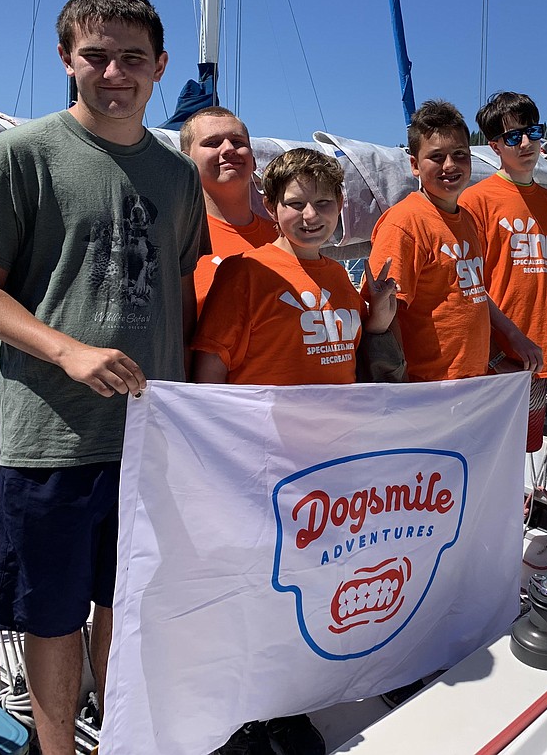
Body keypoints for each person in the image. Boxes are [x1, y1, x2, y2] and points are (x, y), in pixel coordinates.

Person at [0, 0, 207, 755]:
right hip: (49, 435)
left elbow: (177, 295)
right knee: (49, 614)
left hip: (146, 440)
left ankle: (116, 736)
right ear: (66, 60)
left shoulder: (180, 178)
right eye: (95, 56)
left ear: (159, 68)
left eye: (131, 58)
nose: (113, 72)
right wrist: (66, 349)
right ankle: (53, 748)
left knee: (127, 603)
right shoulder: (20, 155)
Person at [191, 147, 396, 754]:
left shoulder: (340, 279)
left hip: (325, 468)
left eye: (324, 204)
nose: (311, 215)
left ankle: (286, 703)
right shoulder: (245, 273)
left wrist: (379, 320)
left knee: (305, 588)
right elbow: (209, 374)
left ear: (341, 209)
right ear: (271, 206)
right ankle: (245, 714)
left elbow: (356, 369)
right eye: (296, 203)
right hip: (259, 466)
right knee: (254, 588)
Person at [367, 99, 541, 382]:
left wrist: (508, 339)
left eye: (460, 154)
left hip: (470, 383)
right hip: (427, 390)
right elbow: (386, 314)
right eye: (436, 157)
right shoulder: (405, 223)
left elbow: (472, 295)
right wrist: (398, 385)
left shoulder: (466, 220)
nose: (450, 165)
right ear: (414, 165)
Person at [461, 92, 547, 448]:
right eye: (513, 137)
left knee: (526, 448)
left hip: (538, 361)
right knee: (485, 452)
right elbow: (468, 289)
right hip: (494, 361)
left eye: (533, 132)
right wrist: (496, 356)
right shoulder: (475, 201)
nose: (526, 143)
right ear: (495, 146)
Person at [179, 106, 277, 314]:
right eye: (213, 143)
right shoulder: (175, 240)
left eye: (238, 142)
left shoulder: (285, 237)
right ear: (185, 161)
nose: (228, 149)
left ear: (254, 161)